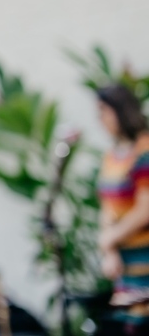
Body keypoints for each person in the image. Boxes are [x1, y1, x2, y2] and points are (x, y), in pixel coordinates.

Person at [96, 84, 149, 332]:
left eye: (104, 111)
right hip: (124, 266)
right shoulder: (112, 155)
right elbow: (108, 207)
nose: (100, 119)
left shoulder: (144, 151)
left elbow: (145, 208)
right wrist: (110, 250)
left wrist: (110, 239)